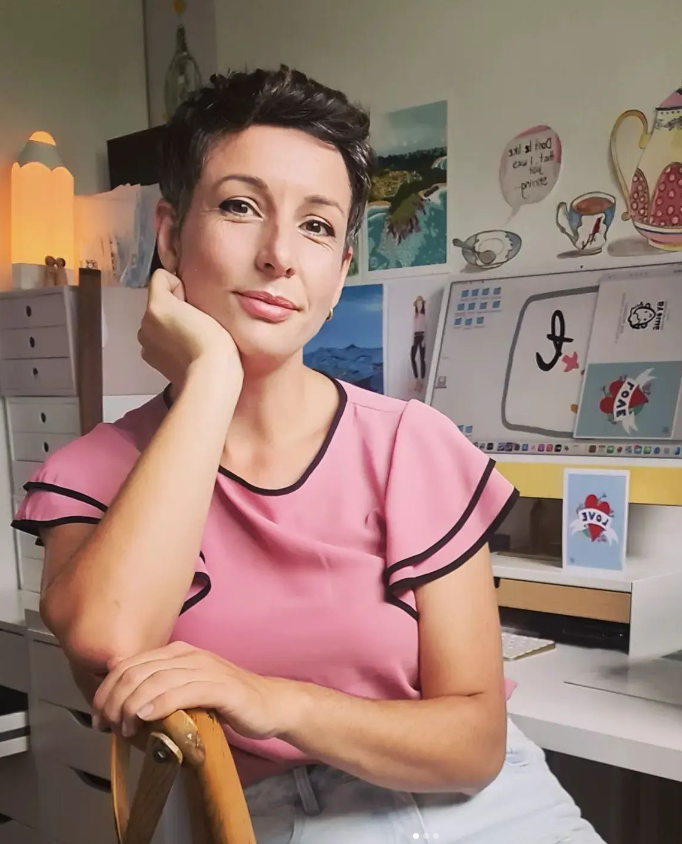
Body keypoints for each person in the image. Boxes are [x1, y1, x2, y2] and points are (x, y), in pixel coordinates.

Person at [12, 67, 603, 843]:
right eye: (239, 206)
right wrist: (211, 380)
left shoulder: (410, 444)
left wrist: (271, 699)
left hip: (489, 813)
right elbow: (110, 644)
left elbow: (475, 743)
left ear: (342, 271)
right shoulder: (90, 474)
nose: (279, 255)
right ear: (168, 233)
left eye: (318, 226)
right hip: (268, 821)